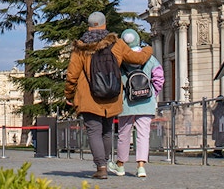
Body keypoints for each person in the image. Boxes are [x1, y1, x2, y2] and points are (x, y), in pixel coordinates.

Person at [64, 11, 153, 180]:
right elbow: (137, 59)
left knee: (94, 131)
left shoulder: (81, 47)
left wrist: (69, 94)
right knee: (106, 131)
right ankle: (104, 162)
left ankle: (101, 167)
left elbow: (72, 75)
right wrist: (148, 48)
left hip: (89, 97)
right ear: (105, 25)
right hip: (112, 95)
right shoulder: (117, 44)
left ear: (89, 26)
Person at [109, 28, 164, 178]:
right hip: (146, 102)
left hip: (126, 103)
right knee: (143, 135)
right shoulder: (150, 59)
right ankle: (141, 167)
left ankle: (120, 165)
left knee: (123, 134)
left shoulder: (121, 60)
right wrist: (152, 94)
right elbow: (159, 78)